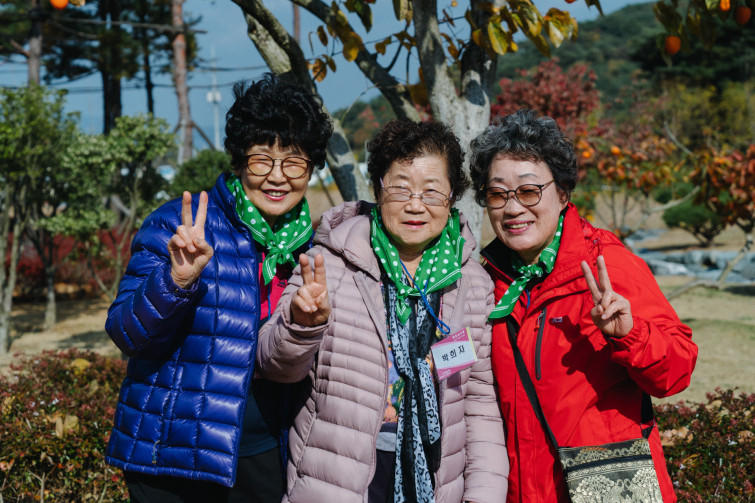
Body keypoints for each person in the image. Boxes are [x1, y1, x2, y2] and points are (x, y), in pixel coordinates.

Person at [103, 73, 332, 502]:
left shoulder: (311, 246)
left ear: (311, 168)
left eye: (294, 162)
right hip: (172, 455)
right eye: (262, 160)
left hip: (264, 453)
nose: (277, 177)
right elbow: (126, 334)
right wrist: (176, 280)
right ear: (239, 160)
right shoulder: (180, 225)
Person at [256, 119, 509, 503]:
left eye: (431, 191)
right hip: (337, 482)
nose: (415, 204)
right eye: (400, 187)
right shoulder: (329, 265)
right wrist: (302, 327)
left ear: (452, 196)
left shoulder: (472, 284)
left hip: (437, 482)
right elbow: (274, 367)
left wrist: (483, 495)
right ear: (377, 189)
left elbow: (478, 405)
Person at [469, 109, 698, 502]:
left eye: (528, 191)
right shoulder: (486, 282)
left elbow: (676, 371)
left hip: (608, 486)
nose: (512, 208)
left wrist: (631, 335)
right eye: (497, 194)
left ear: (562, 192)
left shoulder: (605, 264)